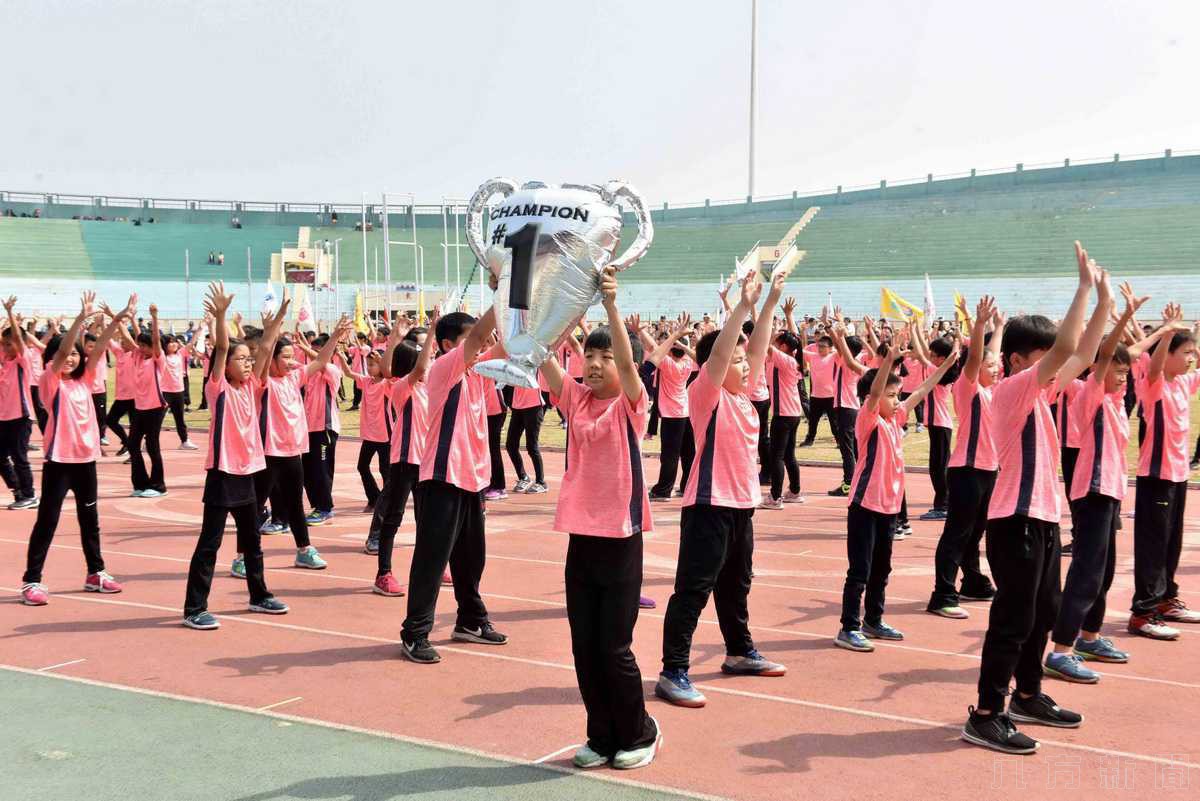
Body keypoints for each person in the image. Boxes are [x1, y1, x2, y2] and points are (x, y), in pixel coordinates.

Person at [962, 242, 1103, 755]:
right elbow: (1069, 351)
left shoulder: (1039, 395)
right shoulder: (1010, 390)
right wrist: (1083, 288)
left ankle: (1027, 695)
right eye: (1041, 360)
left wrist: (1104, 297)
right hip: (1014, 520)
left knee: (1044, 613)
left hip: (1043, 518)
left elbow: (1083, 354)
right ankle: (985, 713)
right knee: (1013, 619)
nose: (1052, 369)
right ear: (1018, 361)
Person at [542, 267, 661, 769]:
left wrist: (612, 306)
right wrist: (518, 302)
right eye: (589, 355)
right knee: (584, 647)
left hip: (620, 538)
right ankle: (602, 735)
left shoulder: (630, 406)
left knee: (614, 646)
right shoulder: (576, 401)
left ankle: (639, 732)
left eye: (604, 356)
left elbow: (633, 367)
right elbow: (541, 356)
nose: (593, 364)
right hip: (582, 540)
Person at [656, 270, 787, 709]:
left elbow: (758, 346)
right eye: (736, 359)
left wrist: (768, 304)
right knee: (694, 589)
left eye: (746, 361)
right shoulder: (704, 393)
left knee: (737, 585)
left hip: (741, 508)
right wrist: (742, 308)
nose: (746, 363)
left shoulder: (744, 398)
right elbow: (722, 353)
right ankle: (673, 670)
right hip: (708, 506)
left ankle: (738, 651)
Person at [1043, 285, 1146, 680]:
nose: (1123, 375)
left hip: (1111, 493)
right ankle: (1060, 649)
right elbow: (1104, 357)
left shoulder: (1117, 402)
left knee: (1105, 569)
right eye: (1117, 371)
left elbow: (1124, 356)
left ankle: (1089, 635)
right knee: (1087, 571)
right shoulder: (1090, 394)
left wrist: (1151, 329)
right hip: (1093, 491)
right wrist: (1118, 317)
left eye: (1125, 371)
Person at [836, 333, 959, 652]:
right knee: (859, 570)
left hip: (889, 509)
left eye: (896, 395)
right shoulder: (869, 420)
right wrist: (889, 360)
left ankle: (873, 620)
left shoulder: (896, 419)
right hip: (865, 506)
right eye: (892, 395)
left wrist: (945, 364)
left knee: (882, 568)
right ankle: (848, 627)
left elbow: (921, 390)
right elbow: (876, 393)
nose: (897, 400)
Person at [399, 306, 508, 664]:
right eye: (470, 340)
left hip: (472, 478)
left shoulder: (478, 371)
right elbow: (480, 338)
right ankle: (415, 633)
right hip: (443, 476)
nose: (481, 344)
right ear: (448, 345)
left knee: (471, 558)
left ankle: (470, 621)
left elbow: (508, 345)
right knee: (432, 560)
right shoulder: (446, 368)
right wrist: (502, 287)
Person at [182, 283, 288, 629]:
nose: (246, 363)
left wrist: (275, 326)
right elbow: (223, 346)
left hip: (250, 473)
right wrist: (222, 315)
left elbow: (266, 350)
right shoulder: (219, 390)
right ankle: (195, 608)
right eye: (239, 359)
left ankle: (258, 595)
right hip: (223, 473)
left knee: (252, 540)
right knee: (210, 543)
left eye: (248, 359)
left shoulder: (253, 388)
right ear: (223, 366)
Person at [20, 292, 134, 606]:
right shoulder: (49, 381)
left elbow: (95, 351)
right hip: (59, 462)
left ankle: (95, 573)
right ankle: (32, 579)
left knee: (90, 518)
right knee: (48, 519)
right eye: (65, 354)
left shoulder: (85, 382)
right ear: (52, 359)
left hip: (86, 462)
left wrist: (117, 319)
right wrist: (79, 320)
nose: (71, 358)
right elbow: (59, 357)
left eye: (75, 355)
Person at [234, 303, 340, 576]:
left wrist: (336, 336)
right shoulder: (260, 382)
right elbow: (265, 352)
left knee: (295, 504)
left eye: (293, 356)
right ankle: (242, 558)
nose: (292, 360)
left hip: (294, 452)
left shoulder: (294, 378)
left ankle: (304, 550)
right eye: (286, 356)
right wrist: (275, 325)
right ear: (272, 359)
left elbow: (319, 362)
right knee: (254, 507)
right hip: (269, 453)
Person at [928, 298, 1004, 619]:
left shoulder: (994, 391)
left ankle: (972, 581)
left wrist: (999, 327)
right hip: (967, 470)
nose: (996, 368)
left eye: (997, 365)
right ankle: (942, 593)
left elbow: (990, 355)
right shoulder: (967, 387)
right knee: (958, 533)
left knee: (976, 532)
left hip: (989, 471)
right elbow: (976, 357)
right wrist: (980, 325)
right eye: (990, 367)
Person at [1128, 301, 1200, 639]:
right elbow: (1153, 367)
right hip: (1156, 477)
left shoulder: (1184, 384)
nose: (1191, 358)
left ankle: (1166, 599)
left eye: (1194, 352)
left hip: (1178, 475)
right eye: (1185, 352)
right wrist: (1168, 330)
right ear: (1166, 354)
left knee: (1172, 542)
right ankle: (1143, 611)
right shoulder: (1154, 385)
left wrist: (1193, 334)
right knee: (1153, 545)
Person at [363, 315, 437, 598]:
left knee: (425, 518)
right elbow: (409, 366)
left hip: (424, 461)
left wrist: (396, 336)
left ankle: (431, 566)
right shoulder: (401, 387)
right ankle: (384, 573)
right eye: (421, 361)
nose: (427, 365)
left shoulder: (425, 389)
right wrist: (431, 330)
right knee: (393, 518)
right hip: (404, 460)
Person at [114, 304, 169, 497]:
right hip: (139, 408)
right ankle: (140, 484)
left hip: (155, 408)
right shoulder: (137, 357)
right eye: (141, 345)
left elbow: (155, 340)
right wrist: (119, 318)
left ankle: (158, 486)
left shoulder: (157, 360)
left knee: (153, 447)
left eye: (146, 346)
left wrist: (154, 317)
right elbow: (130, 339)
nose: (142, 348)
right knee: (133, 445)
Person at [297, 328, 348, 526]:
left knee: (322, 470)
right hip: (308, 429)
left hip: (325, 429)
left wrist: (306, 348)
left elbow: (321, 361)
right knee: (307, 471)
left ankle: (326, 508)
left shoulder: (333, 372)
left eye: (321, 351)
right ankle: (317, 507)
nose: (315, 355)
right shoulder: (309, 374)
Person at [760, 296, 805, 509]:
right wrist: (788, 316)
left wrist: (773, 334)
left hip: (784, 414)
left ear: (784, 347)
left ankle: (775, 497)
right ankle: (794, 491)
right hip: (792, 413)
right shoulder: (792, 357)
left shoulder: (784, 359)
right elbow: (795, 338)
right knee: (788, 455)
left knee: (777, 456)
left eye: (780, 342)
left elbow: (766, 346)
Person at [646, 315, 695, 501]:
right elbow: (697, 355)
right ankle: (687, 486)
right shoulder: (688, 363)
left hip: (672, 415)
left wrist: (642, 331)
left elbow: (654, 349)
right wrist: (683, 341)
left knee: (670, 455)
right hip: (685, 412)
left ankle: (663, 490)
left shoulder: (669, 365)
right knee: (688, 453)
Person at [0, 296, 38, 509]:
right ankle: (18, 490)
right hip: (3, 419)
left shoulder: (23, 361)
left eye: (9, 344)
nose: (5, 347)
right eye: (3, 344)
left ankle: (30, 495)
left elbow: (18, 339)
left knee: (19, 458)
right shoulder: (5, 362)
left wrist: (10, 314)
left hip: (20, 418)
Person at [826, 311, 868, 496]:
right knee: (853, 446)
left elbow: (839, 345)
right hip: (850, 407)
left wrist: (839, 328)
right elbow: (838, 344)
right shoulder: (851, 359)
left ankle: (848, 483)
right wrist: (833, 326)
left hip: (846, 407)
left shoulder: (848, 362)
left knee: (847, 448)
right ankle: (857, 479)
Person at [347, 345, 392, 512]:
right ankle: (374, 498)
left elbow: (391, 376)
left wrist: (382, 361)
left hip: (385, 435)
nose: (369, 368)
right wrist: (339, 355)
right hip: (370, 435)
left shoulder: (387, 384)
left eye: (373, 364)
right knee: (362, 466)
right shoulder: (366, 381)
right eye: (368, 364)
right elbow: (349, 374)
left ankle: (388, 502)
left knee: (385, 470)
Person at [506, 382, 547, 493]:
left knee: (532, 447)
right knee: (510, 445)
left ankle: (541, 482)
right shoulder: (511, 364)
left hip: (533, 406)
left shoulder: (534, 364)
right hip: (517, 406)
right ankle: (523, 477)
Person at [161, 334, 196, 449]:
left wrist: (201, 327)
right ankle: (148, 442)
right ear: (165, 345)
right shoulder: (162, 357)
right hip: (165, 392)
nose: (174, 344)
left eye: (175, 341)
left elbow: (190, 344)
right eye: (171, 342)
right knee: (158, 419)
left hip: (179, 392)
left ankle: (184, 441)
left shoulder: (180, 354)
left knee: (180, 418)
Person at [800, 333, 836, 446]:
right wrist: (802, 332)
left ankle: (840, 440)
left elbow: (842, 348)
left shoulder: (834, 356)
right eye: (818, 346)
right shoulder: (812, 356)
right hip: (816, 396)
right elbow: (798, 349)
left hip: (831, 396)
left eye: (823, 346)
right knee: (813, 421)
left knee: (834, 422)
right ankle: (809, 440)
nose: (819, 348)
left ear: (830, 348)